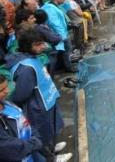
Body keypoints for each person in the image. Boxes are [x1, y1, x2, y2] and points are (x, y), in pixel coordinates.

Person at [5, 29, 72, 161]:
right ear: (27, 46)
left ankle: (51, 148)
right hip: (38, 108)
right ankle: (50, 157)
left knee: (50, 129)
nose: (42, 47)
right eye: (38, 44)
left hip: (46, 101)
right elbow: (21, 94)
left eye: (42, 43)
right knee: (41, 133)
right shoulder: (26, 69)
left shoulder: (32, 57)